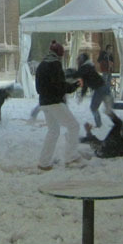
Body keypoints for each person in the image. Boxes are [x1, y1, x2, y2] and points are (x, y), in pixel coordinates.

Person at [35, 40, 82, 170]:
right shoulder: (55, 65)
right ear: (59, 54)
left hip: (44, 102)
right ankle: (71, 157)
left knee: (53, 131)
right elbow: (60, 87)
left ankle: (44, 162)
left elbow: (39, 88)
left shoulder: (42, 65)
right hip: (54, 102)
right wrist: (75, 85)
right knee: (74, 126)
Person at [73, 52, 123, 128]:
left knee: (94, 108)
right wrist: (82, 95)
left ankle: (99, 125)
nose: (77, 61)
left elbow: (78, 75)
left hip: (99, 89)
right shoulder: (88, 67)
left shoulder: (85, 67)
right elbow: (85, 83)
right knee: (111, 106)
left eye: (78, 59)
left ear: (82, 60)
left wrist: (70, 73)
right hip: (104, 87)